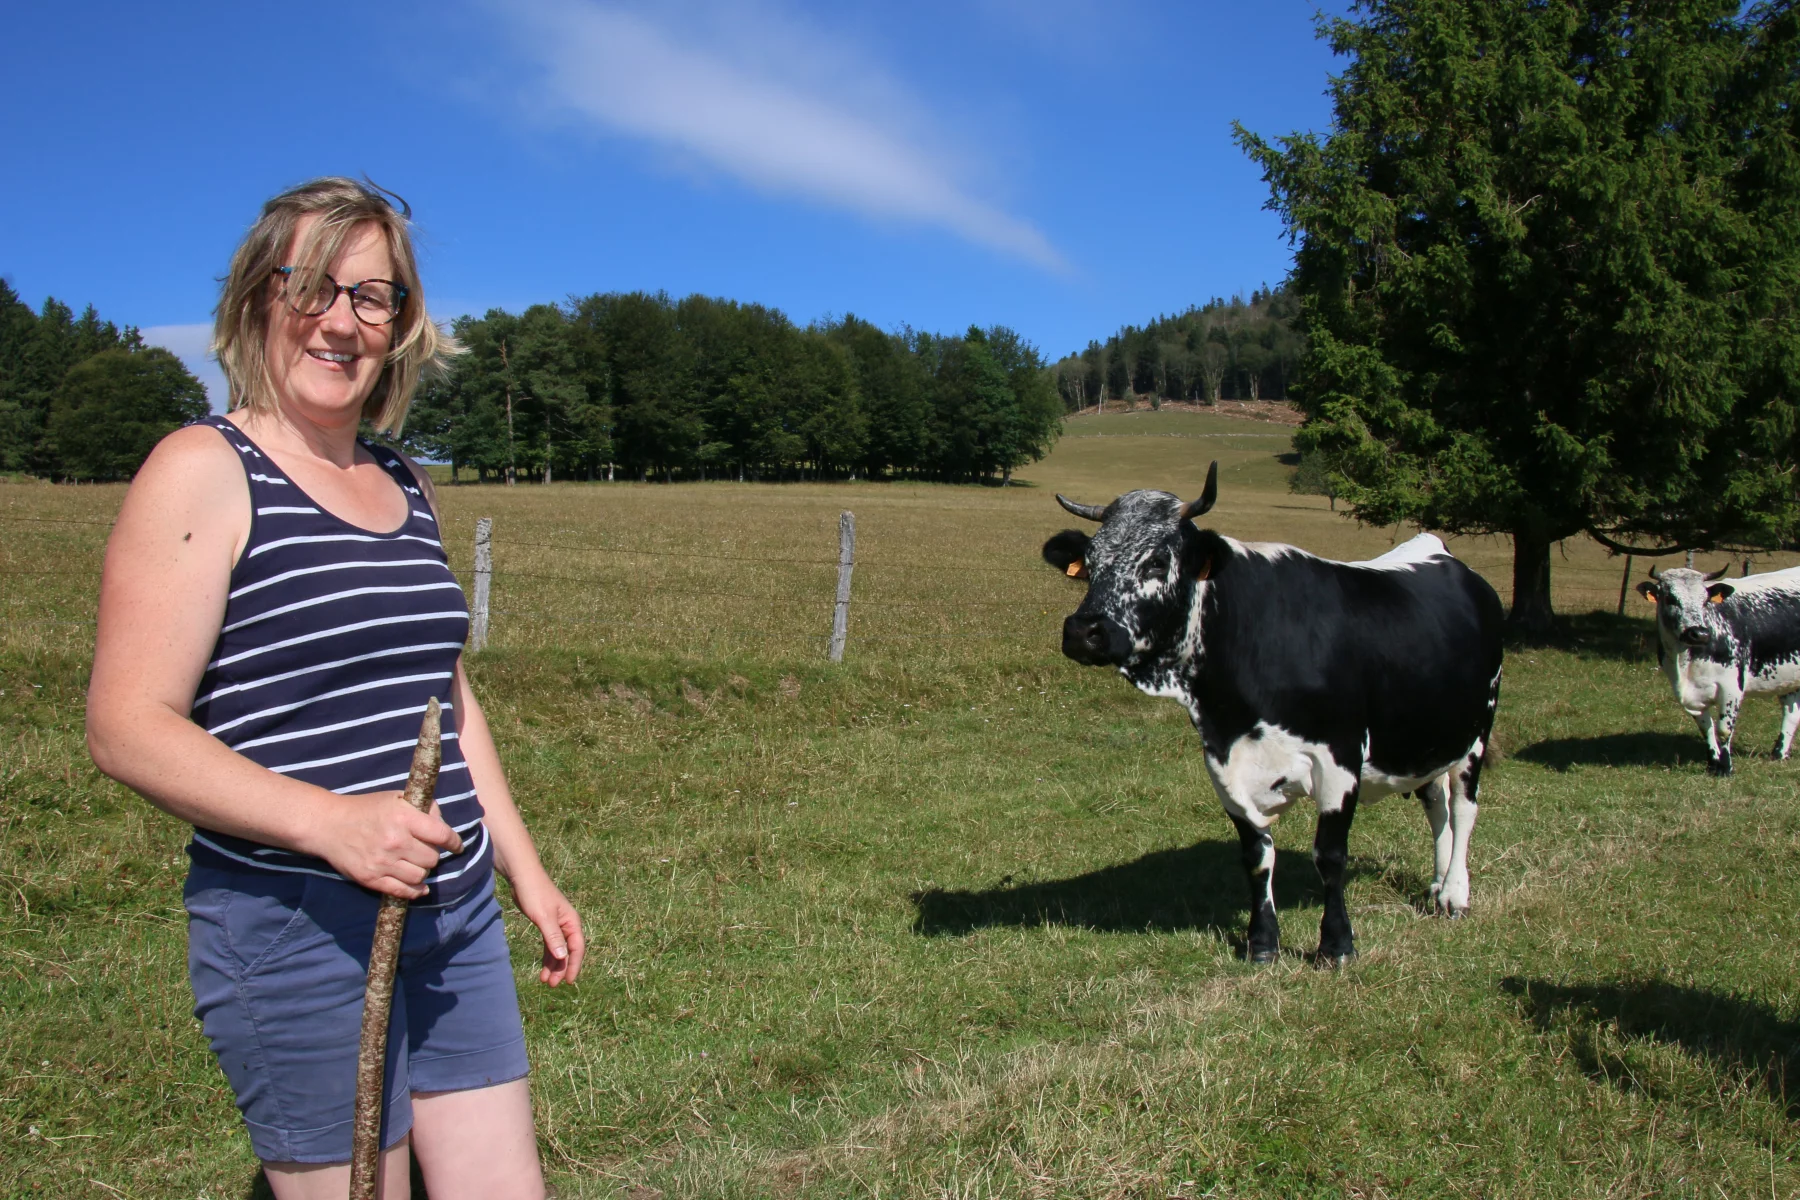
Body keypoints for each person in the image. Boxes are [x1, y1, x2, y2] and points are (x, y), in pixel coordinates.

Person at [87, 177, 582, 1199]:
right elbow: (126, 725)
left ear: (401, 325)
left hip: (454, 909)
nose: (342, 321)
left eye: (373, 296)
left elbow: (445, 698)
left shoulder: (404, 480)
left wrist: (524, 872)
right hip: (297, 922)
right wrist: (332, 824)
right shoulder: (202, 469)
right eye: (312, 285)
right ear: (259, 297)